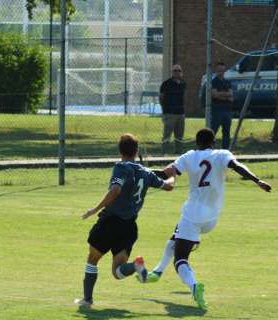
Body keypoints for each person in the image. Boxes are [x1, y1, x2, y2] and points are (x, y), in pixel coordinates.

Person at [143, 128, 271, 310]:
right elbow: (237, 166)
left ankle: (194, 286)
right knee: (175, 236)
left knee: (180, 259)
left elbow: (165, 174)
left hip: (193, 214)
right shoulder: (222, 154)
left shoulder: (189, 156)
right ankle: (157, 271)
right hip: (212, 217)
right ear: (213, 141)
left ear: (197, 142)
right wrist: (257, 180)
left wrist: (143, 171)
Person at [74, 133, 175, 307]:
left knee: (92, 259)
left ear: (120, 151)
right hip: (129, 227)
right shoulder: (146, 172)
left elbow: (115, 190)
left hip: (111, 222)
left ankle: (87, 300)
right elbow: (168, 186)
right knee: (118, 272)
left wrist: (95, 209)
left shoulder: (121, 167)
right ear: (136, 151)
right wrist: (174, 174)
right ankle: (136, 266)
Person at [160, 64, 187, 154]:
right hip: (169, 113)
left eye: (179, 71)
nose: (177, 73)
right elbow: (161, 97)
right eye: (175, 71)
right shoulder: (166, 83)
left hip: (180, 113)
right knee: (167, 135)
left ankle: (178, 153)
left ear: (181, 72)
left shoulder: (183, 83)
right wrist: (164, 110)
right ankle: (164, 153)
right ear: (172, 72)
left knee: (179, 136)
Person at [210, 62, 234, 149]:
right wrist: (226, 95)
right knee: (213, 131)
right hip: (217, 110)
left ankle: (226, 150)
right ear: (216, 71)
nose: (221, 72)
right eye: (219, 70)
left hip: (227, 110)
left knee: (226, 132)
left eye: (223, 71)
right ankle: (210, 149)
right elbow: (214, 95)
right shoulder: (213, 81)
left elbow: (231, 96)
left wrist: (221, 95)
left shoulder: (227, 82)